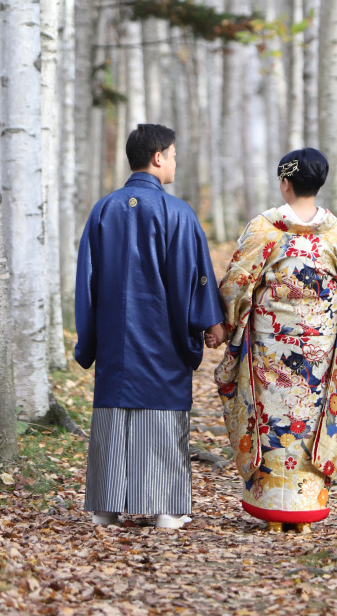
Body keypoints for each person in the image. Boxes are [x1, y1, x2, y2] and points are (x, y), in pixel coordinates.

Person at [211, 147, 337, 532]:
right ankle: (305, 508)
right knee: (310, 421)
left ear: (285, 183)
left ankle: (273, 510)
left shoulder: (264, 228)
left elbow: (238, 280)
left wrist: (223, 323)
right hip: (318, 351)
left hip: (270, 347)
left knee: (272, 420)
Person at [75, 123, 227, 530]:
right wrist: (211, 321)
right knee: (160, 412)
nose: (176, 161)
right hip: (162, 336)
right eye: (173, 155)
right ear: (158, 157)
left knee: (113, 413)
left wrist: (88, 338)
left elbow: (87, 280)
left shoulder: (104, 209)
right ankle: (166, 510)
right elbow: (193, 275)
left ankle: (105, 507)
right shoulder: (176, 212)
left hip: (113, 336)